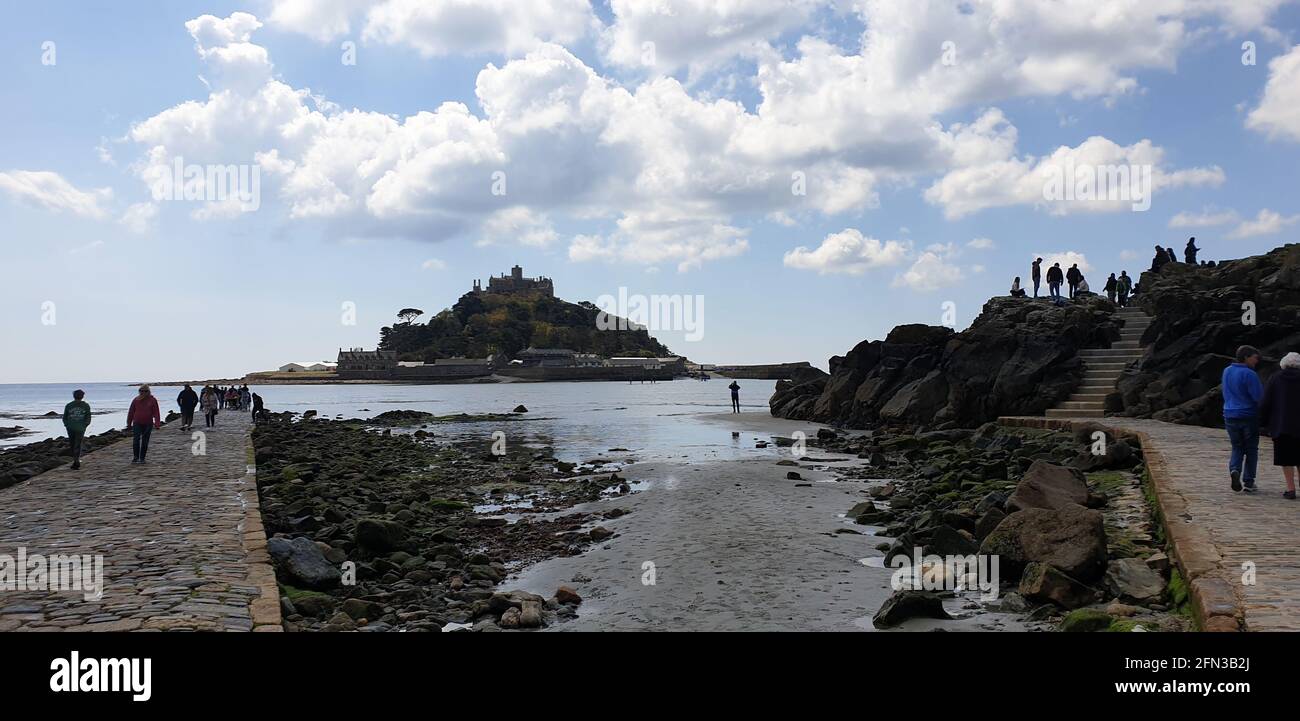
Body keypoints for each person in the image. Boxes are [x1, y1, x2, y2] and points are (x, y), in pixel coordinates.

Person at [1223, 345, 1264, 493]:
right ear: (1246, 357)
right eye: (1255, 357)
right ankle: (1249, 481)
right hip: (1247, 414)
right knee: (1251, 448)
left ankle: (1235, 469)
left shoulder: (1227, 371)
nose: (1257, 361)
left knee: (1237, 446)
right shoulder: (1249, 374)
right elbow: (1258, 396)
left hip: (1229, 413)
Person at [1260, 352, 1300, 499]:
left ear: (1283, 364)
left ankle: (1291, 489)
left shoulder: (1275, 378)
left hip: (1281, 425)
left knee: (1286, 459)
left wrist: (1263, 423)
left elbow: (1266, 402)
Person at [127, 385, 162, 464]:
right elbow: (131, 412)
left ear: (148, 391)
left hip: (148, 423)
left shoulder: (152, 400)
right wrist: (129, 423)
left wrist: (157, 423)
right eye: (141, 391)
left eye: (145, 391)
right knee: (136, 440)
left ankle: (142, 458)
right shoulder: (136, 400)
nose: (143, 392)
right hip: (137, 422)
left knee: (145, 441)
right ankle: (135, 457)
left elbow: (156, 412)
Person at [62, 389, 92, 470]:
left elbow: (65, 417)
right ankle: (76, 460)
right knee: (77, 444)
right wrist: (85, 424)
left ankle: (76, 460)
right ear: (82, 396)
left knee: (73, 444)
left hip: (74, 427)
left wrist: (67, 424)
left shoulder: (70, 405)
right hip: (77, 427)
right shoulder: (83, 405)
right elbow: (88, 417)